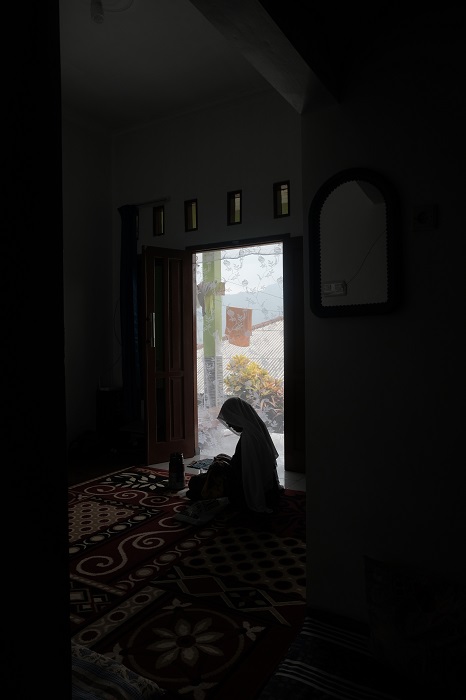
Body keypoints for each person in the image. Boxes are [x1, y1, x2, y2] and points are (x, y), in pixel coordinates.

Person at [186, 397, 283, 514]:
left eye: (230, 420)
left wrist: (222, 467)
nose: (229, 425)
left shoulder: (249, 438)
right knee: (216, 464)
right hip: (254, 482)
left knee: (195, 482)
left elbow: (246, 474)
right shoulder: (255, 430)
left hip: (240, 485)